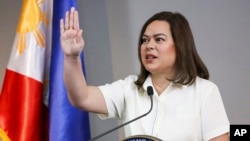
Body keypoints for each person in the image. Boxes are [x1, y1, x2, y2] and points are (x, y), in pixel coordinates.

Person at [60, 7, 230, 141]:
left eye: (159, 39)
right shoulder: (129, 88)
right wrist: (72, 57)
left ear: (180, 45)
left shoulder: (205, 91)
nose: (149, 45)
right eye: (145, 40)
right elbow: (81, 98)